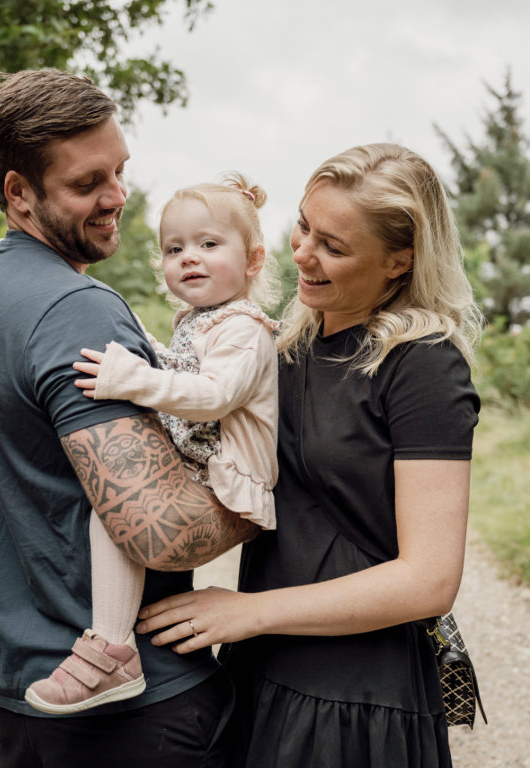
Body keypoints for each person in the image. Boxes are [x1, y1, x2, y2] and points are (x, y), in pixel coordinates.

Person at [132, 143, 483, 768]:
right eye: (303, 226)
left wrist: (249, 611)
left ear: (400, 260)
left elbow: (429, 580)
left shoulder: (423, 366)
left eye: (334, 247)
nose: (301, 253)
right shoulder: (281, 348)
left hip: (353, 700)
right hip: (261, 667)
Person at [0, 68, 257, 768]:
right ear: (18, 193)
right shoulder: (77, 310)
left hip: (27, 695)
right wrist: (268, 494)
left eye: (119, 171)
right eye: (88, 183)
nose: (117, 196)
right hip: (135, 714)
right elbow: (158, 530)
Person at [25, 173, 281, 714]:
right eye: (174, 248)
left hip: (230, 485)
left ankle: (112, 649)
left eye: (209, 244)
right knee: (115, 503)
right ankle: (109, 639)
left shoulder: (245, 329)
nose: (189, 258)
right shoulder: (200, 321)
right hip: (199, 468)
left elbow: (212, 396)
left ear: (253, 260)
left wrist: (133, 379)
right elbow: (171, 362)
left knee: (123, 511)